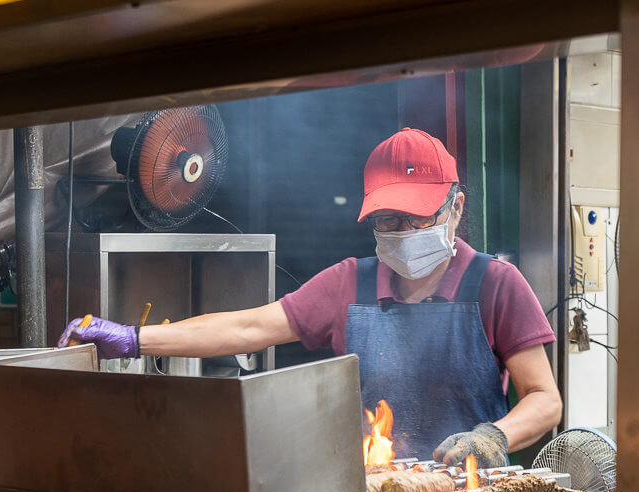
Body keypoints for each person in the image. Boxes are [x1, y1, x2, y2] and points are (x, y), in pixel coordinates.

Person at [58, 128, 561, 467]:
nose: (402, 231)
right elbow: (246, 328)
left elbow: (544, 400)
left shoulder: (496, 284)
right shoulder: (349, 284)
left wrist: (492, 437)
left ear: (456, 209)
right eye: (388, 219)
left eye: (418, 217)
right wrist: (132, 337)